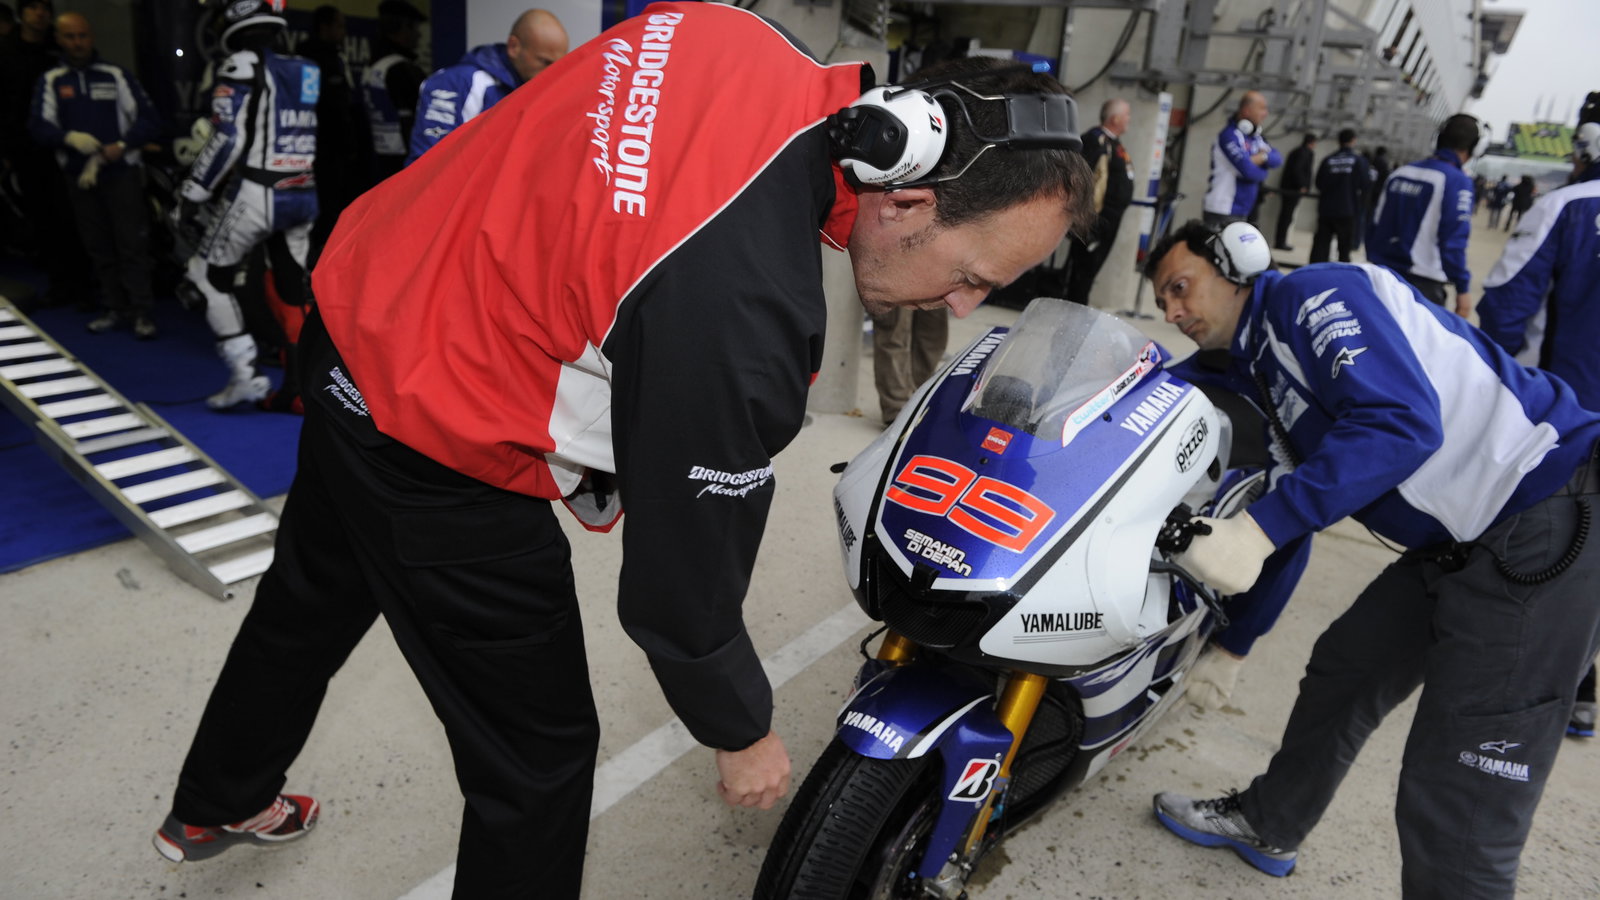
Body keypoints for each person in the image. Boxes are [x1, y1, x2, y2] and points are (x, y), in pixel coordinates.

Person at [147, 6, 1095, 897]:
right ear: (906, 197)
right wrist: (739, 726)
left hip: (356, 320)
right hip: (437, 442)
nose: (964, 306)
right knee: (539, 756)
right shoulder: (747, 308)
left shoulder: (732, 34)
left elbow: (597, 220)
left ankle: (216, 800)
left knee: (306, 603)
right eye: (970, 277)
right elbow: (680, 586)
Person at [1142, 218, 1600, 897]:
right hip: (1457, 539)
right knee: (1346, 667)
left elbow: (1402, 422)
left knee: (1460, 794)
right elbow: (1291, 497)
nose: (1174, 313)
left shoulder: (1314, 297)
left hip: (1543, 511)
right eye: (1161, 304)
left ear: (1238, 261)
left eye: (1181, 289)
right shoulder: (1253, 363)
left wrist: (1258, 530)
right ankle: (1271, 821)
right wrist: (1236, 643)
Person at [1477, 121, 1600, 741]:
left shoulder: (1566, 208)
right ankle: (1580, 688)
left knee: (1539, 559)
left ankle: (1532, 696)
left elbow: (1503, 305)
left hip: (1568, 427)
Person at [175, 2, 318, 410]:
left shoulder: (239, 64)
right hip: (303, 191)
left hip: (260, 192)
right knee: (294, 291)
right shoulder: (306, 68)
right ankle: (301, 389)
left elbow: (226, 139)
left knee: (204, 275)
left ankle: (245, 377)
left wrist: (192, 193)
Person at [27, 11, 162, 338]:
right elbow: (38, 127)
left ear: (91, 37)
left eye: (82, 36)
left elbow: (150, 119)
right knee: (98, 246)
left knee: (132, 245)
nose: (77, 43)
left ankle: (142, 312)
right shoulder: (52, 80)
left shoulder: (115, 75)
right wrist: (68, 138)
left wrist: (123, 144)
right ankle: (114, 307)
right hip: (79, 177)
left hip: (121, 172)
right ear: (59, 39)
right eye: (70, 37)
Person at [0, 0, 94, 311]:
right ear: (22, 13)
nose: (40, 14)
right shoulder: (6, 50)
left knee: (77, 217)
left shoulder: (60, 47)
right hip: (27, 150)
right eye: (33, 8)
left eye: (45, 9)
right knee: (45, 220)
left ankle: (86, 286)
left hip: (69, 146)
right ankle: (60, 285)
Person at [406, 8, 569, 164]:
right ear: (514, 47)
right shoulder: (455, 83)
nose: (552, 73)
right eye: (545, 62)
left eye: (558, 65)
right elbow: (425, 164)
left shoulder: (534, 87)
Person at [1366, 113, 1477, 315]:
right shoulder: (1458, 181)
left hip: (1380, 277)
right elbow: (1453, 239)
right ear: (1474, 147)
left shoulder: (1400, 173)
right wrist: (1462, 288)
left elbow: (1373, 224)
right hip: (1423, 285)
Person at [298, 5, 361, 259]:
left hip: (336, 147)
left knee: (335, 204)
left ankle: (328, 254)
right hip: (318, 147)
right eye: (340, 26)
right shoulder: (309, 58)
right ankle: (317, 257)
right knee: (323, 206)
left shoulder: (335, 55)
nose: (344, 32)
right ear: (324, 27)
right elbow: (319, 105)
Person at [1064, 97, 1133, 305]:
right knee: (1082, 271)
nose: (1130, 119)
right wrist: (1084, 220)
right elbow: (1083, 180)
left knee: (1090, 271)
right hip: (1095, 220)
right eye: (1127, 115)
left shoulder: (1113, 143)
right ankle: (1073, 311)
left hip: (1110, 220)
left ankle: (1078, 307)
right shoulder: (1095, 140)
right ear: (1115, 118)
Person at [362, 0, 426, 184]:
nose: (419, 34)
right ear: (402, 29)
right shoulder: (400, 68)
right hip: (403, 159)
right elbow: (413, 120)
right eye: (415, 28)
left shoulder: (373, 64)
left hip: (379, 156)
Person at [1202, 90, 1281, 225]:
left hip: (1242, 210)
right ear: (1246, 111)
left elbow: (1277, 159)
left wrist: (1260, 158)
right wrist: (1262, 168)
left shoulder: (1255, 137)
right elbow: (1249, 172)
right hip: (1222, 209)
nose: (1265, 114)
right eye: (1262, 108)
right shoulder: (1229, 136)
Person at [1309, 128, 1370, 263]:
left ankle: (1314, 273)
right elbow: (1365, 184)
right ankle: (1342, 275)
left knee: (1321, 245)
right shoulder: (1358, 161)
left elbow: (1319, 183)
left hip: (1326, 208)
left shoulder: (1328, 159)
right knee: (1344, 248)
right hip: (1347, 209)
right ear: (1353, 140)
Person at [1272, 132, 1315, 250]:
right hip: (1292, 190)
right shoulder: (1304, 153)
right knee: (1286, 217)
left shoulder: (1296, 151)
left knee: (1286, 216)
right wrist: (1302, 185)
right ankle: (1280, 242)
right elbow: (1298, 170)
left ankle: (1280, 241)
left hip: (1288, 189)